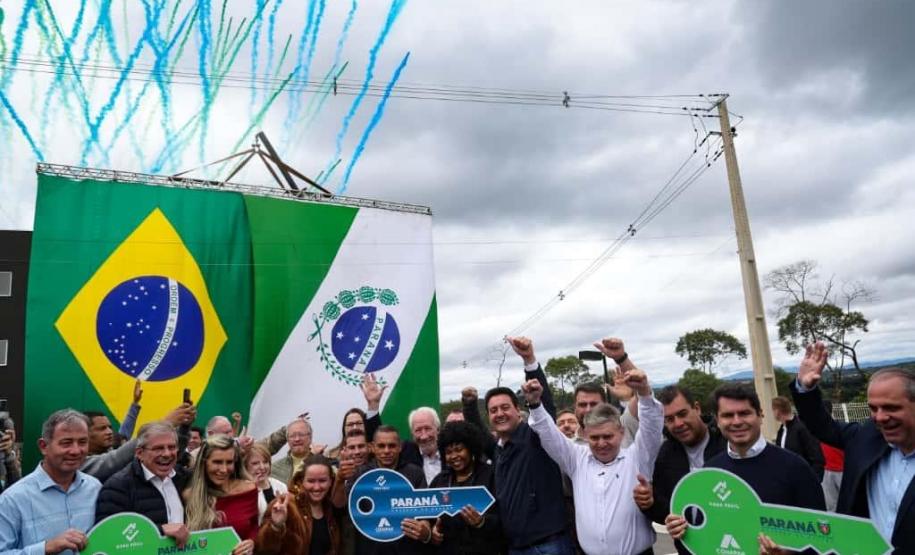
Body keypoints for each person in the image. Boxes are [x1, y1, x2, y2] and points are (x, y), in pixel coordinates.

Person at [666, 383, 825, 554]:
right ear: (718, 421)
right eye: (727, 415)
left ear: (760, 415)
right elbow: (701, 537)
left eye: (744, 413)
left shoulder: (796, 468)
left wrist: (788, 553)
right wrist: (680, 529)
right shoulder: (710, 471)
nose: (736, 421)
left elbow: (823, 537)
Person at [525, 364, 663, 555]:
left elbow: (652, 426)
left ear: (621, 432)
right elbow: (548, 433)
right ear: (585, 434)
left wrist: (644, 392)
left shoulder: (638, 457)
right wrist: (534, 404)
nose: (601, 443)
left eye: (608, 437)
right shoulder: (576, 459)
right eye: (594, 438)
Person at [791, 341, 915, 552]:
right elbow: (821, 424)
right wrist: (805, 388)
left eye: (891, 408)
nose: (880, 417)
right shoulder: (866, 438)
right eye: (873, 408)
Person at [486, 336, 572, 554]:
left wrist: (529, 361)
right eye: (493, 410)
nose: (499, 414)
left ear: (518, 411)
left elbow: (545, 408)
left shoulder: (535, 436)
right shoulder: (498, 450)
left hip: (547, 546)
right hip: (515, 547)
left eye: (505, 407)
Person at [635, 385, 726, 555]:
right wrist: (649, 503)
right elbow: (666, 511)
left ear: (697, 408)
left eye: (682, 414)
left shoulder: (727, 445)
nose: (678, 423)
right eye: (669, 419)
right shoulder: (665, 455)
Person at [0, 409, 101, 554]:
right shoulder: (12, 500)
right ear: (43, 446)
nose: (76, 450)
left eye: (82, 442)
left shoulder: (95, 488)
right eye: (66, 443)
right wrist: (45, 548)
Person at [94, 421, 190, 547]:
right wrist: (160, 531)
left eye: (172, 447)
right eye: (158, 448)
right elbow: (109, 536)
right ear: (139, 453)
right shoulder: (118, 486)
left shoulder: (184, 478)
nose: (167, 454)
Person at [343, 425, 432, 554]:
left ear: (400, 446)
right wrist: (340, 480)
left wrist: (425, 532)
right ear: (373, 447)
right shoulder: (360, 474)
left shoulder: (415, 473)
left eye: (392, 446)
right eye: (381, 446)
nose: (386, 451)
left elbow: (425, 515)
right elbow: (343, 506)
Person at [428, 421, 505, 555]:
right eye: (448, 452)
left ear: (471, 448)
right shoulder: (440, 481)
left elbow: (506, 518)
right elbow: (427, 515)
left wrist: (482, 522)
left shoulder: (492, 475)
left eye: (459, 450)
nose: (454, 456)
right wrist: (432, 530)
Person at [82, 401, 196, 483]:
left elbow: (168, 457)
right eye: (102, 428)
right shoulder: (79, 465)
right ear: (85, 433)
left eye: (110, 427)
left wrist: (184, 428)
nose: (109, 432)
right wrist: (164, 423)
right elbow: (114, 460)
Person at [183, 435, 260, 555]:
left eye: (229, 462)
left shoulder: (248, 489)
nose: (224, 469)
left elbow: (254, 526)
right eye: (217, 462)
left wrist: (252, 542)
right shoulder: (190, 495)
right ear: (204, 463)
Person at [261, 460, 343, 554]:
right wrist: (275, 526)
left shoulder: (331, 507)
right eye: (311, 481)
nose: (317, 487)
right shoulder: (285, 504)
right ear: (301, 481)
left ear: (330, 482)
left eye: (322, 481)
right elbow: (263, 549)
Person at [326, 374, 385, 461]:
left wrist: (373, 405)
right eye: (350, 424)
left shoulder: (375, 451)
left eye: (359, 423)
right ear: (344, 429)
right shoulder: (331, 455)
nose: (355, 428)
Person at [772, 396, 825, 480]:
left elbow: (817, 458)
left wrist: (812, 482)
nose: (772, 413)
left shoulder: (802, 428)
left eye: (773, 410)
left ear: (778, 410)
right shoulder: (782, 430)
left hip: (804, 481)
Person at [244, 443, 288, 523]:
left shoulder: (281, 486)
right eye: (255, 463)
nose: (262, 467)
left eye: (265, 462)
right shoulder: (242, 490)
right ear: (245, 466)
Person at [271, 417, 322, 484]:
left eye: (301, 435)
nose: (297, 439)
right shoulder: (275, 469)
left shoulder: (322, 464)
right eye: (292, 436)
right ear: (287, 440)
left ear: (310, 437)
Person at [403, 407, 442, 483]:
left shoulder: (450, 454)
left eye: (428, 428)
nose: (424, 436)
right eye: (418, 430)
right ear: (412, 434)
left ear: (438, 429)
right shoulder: (404, 455)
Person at [819, 400, 845, 512]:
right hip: (828, 470)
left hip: (842, 470)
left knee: (846, 502)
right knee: (830, 505)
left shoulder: (839, 428)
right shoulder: (820, 429)